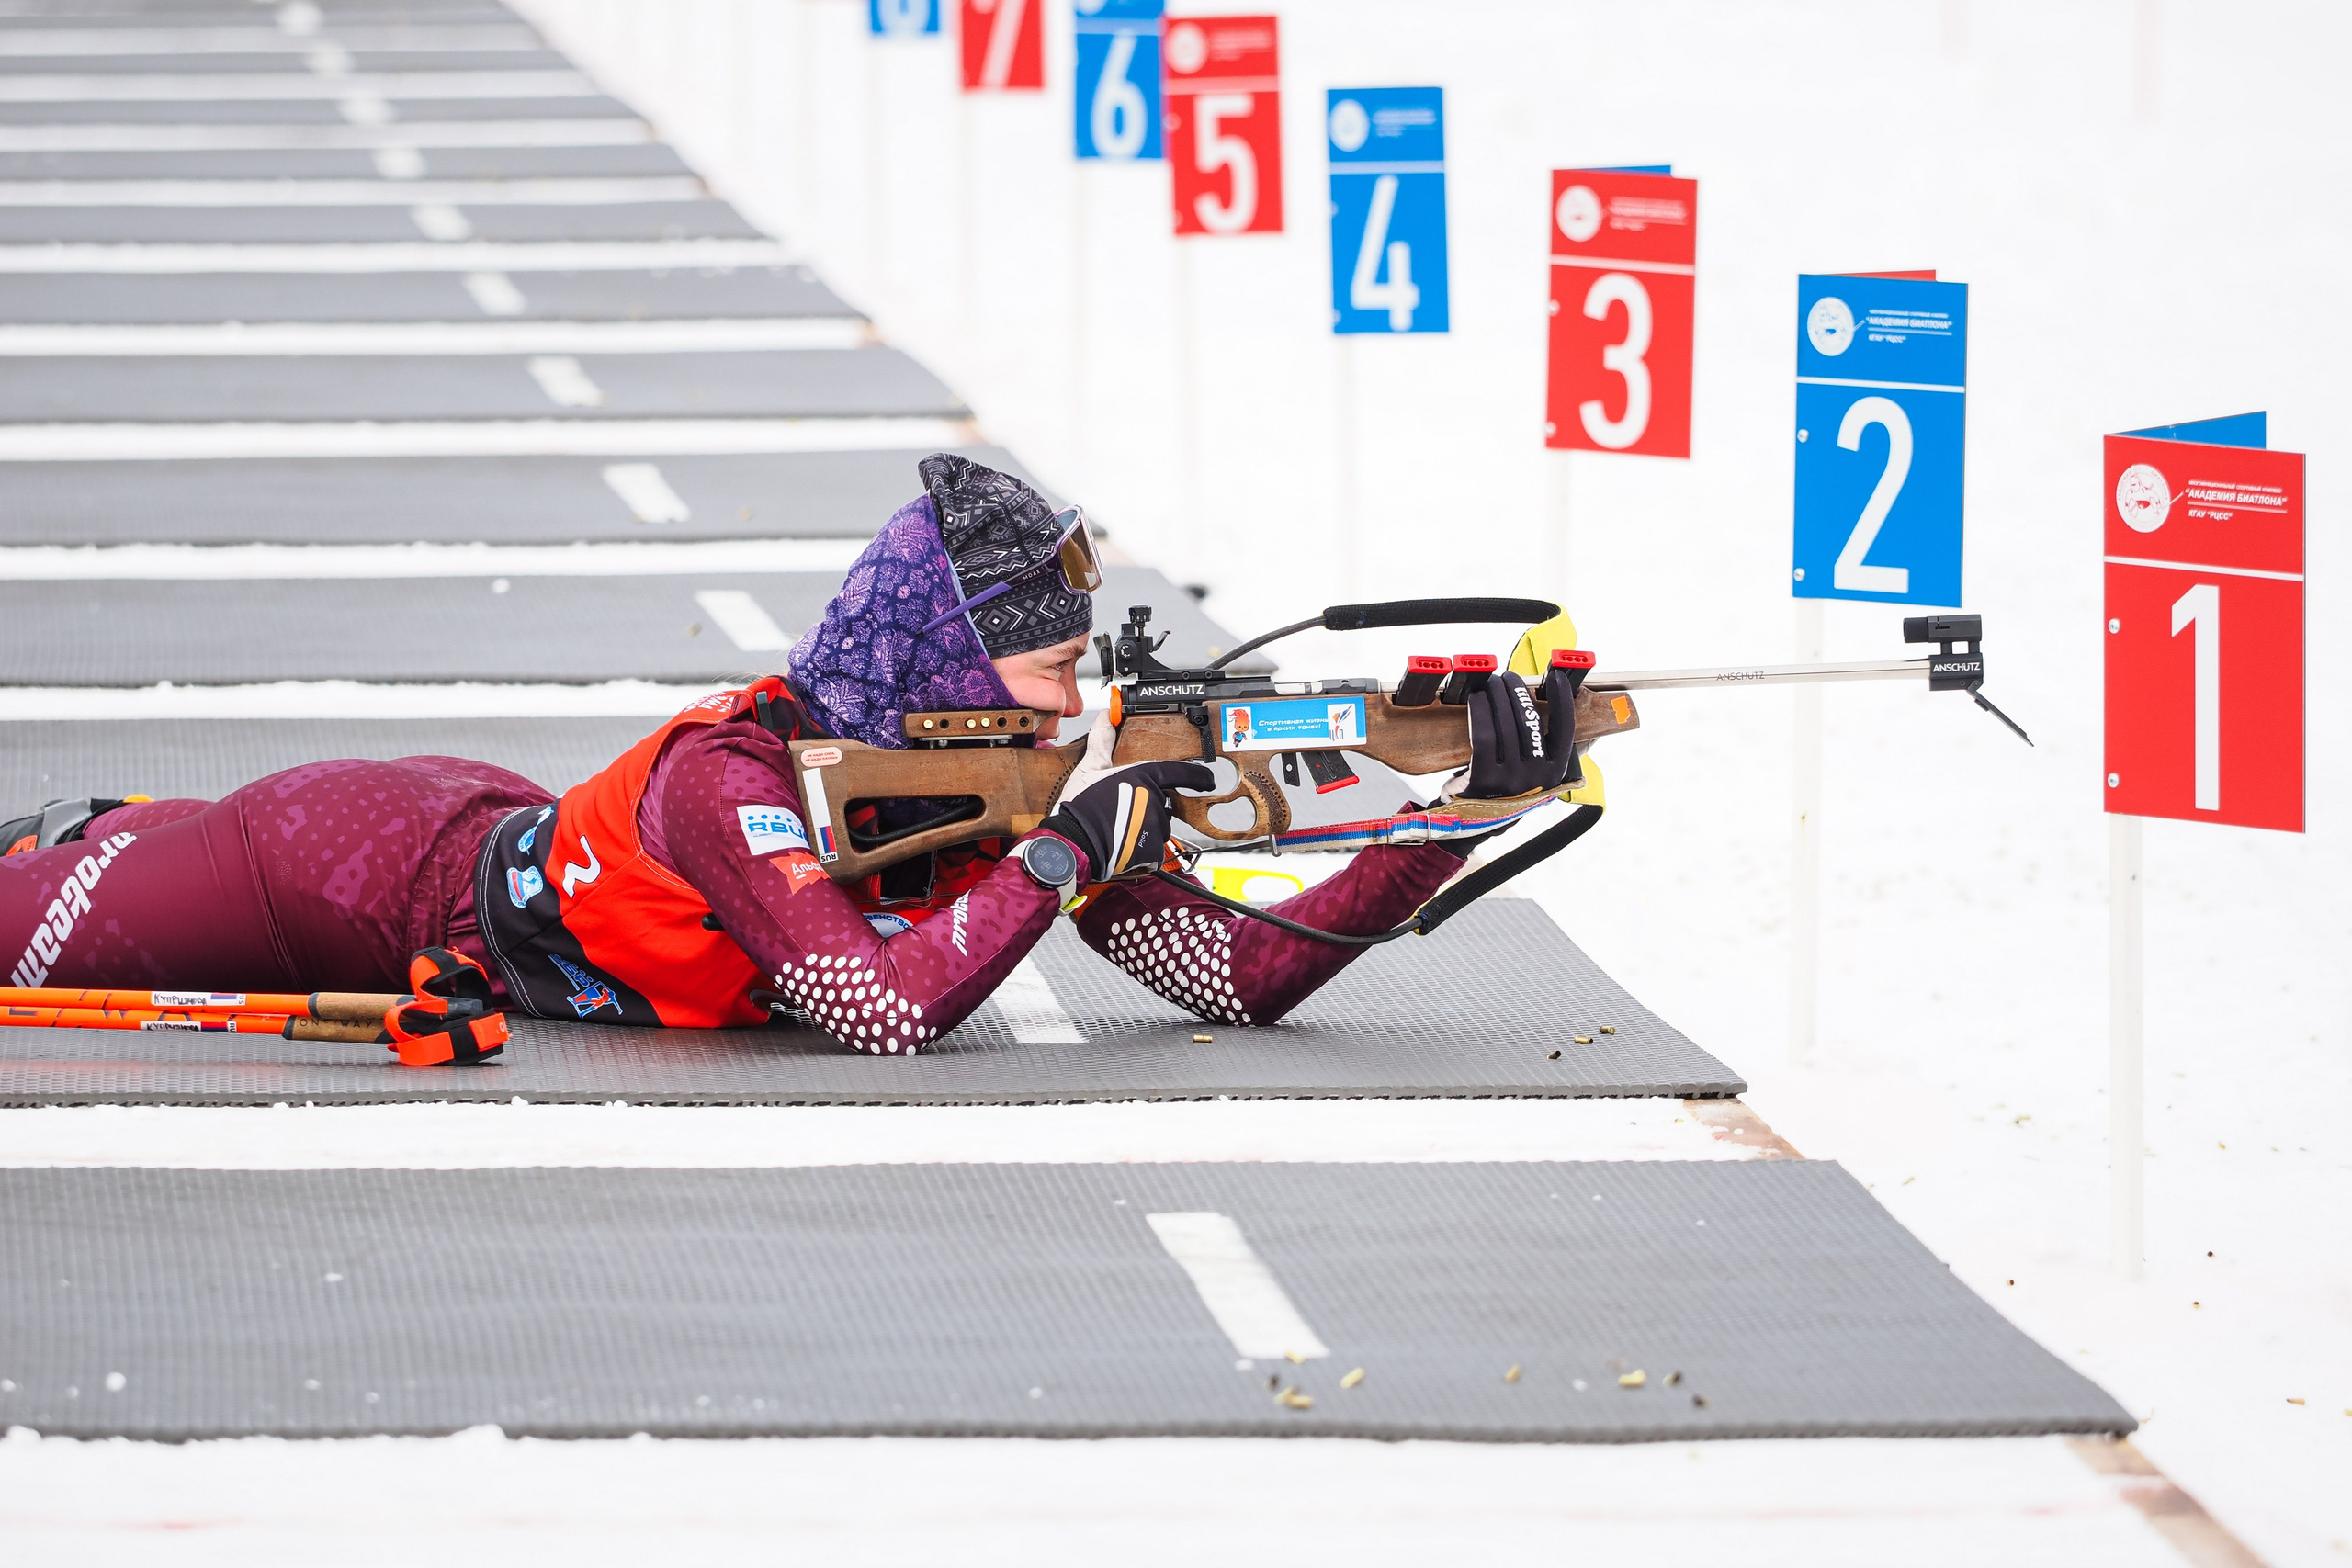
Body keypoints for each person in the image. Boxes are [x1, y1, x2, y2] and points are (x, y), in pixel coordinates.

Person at [3, 457, 1567, 1054]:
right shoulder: (728, 781)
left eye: (1082, 671)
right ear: (947, 662)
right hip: (339, 871)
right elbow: (875, 1006)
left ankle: (83, 831)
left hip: (465, 821)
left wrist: (1451, 812)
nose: (1070, 708)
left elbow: (1240, 981)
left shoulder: (1003, 796)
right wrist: (1076, 846)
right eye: (1043, 669)